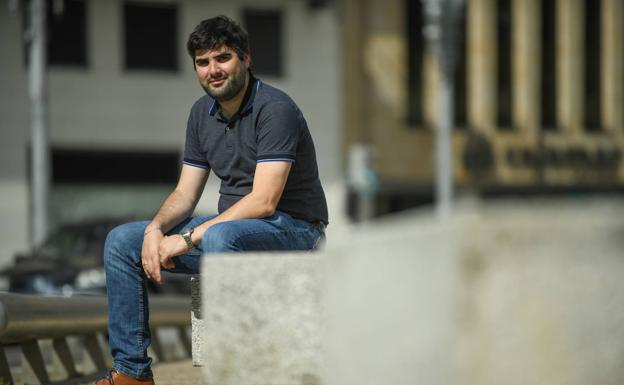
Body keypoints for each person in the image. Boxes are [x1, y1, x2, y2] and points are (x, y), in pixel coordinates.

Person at [95, 15, 328, 385]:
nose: (212, 70)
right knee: (122, 241)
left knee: (221, 237)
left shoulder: (275, 108)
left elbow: (265, 201)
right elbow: (186, 194)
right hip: (232, 233)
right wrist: (156, 230)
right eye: (202, 63)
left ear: (245, 59)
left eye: (222, 58)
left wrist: (186, 239)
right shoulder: (200, 115)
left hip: (295, 230)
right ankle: (132, 373)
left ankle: (234, 369)